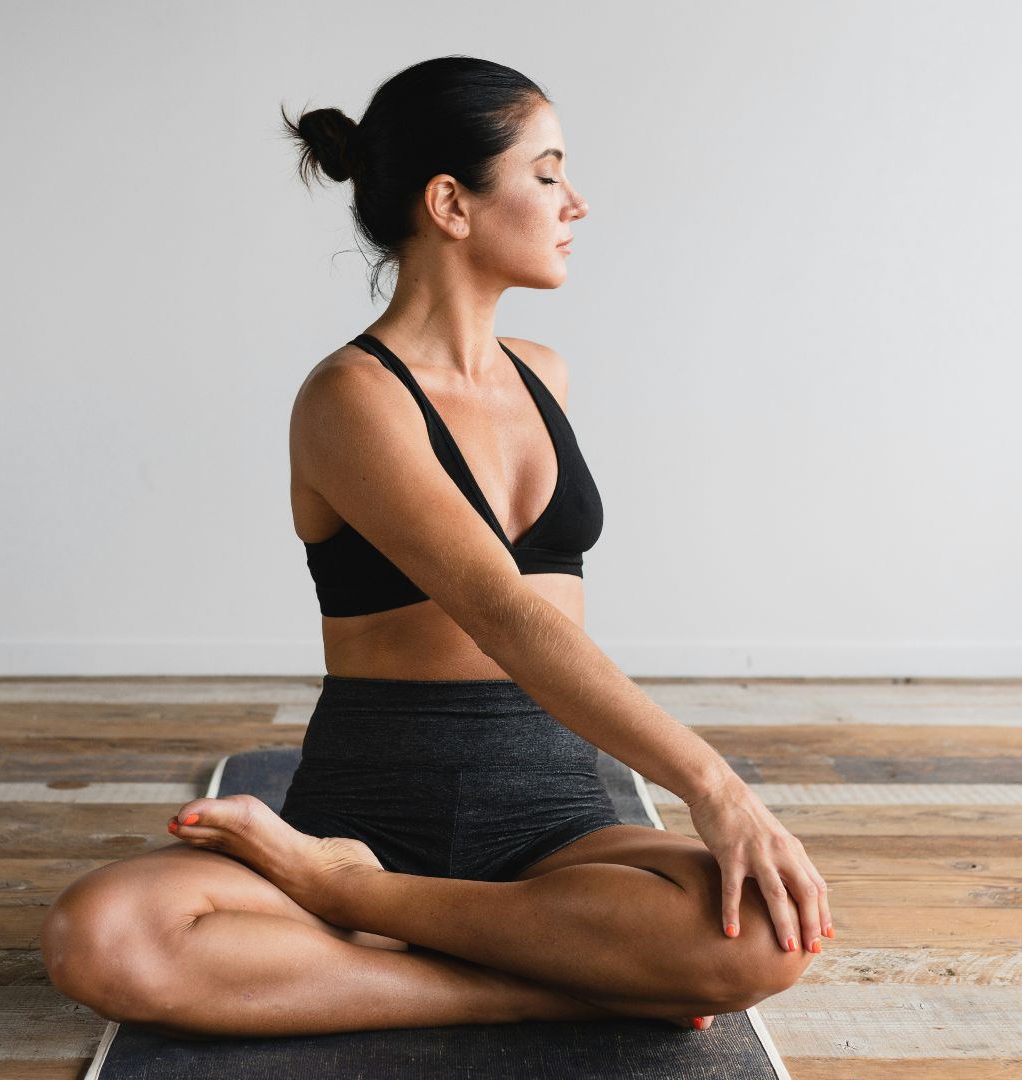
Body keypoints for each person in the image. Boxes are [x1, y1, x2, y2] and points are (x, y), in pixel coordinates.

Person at [40, 55, 831, 1042]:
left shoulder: (545, 376)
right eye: (547, 173)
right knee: (104, 937)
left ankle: (370, 912)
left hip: (553, 822)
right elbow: (504, 613)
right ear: (451, 203)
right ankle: (529, 974)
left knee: (769, 934)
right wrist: (715, 787)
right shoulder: (350, 398)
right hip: (367, 814)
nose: (575, 202)